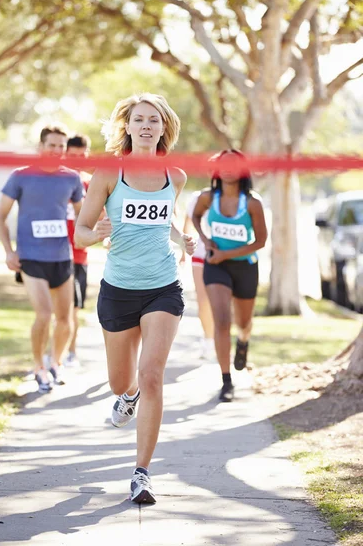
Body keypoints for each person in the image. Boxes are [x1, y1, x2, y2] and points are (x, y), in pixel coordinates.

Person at [75, 93, 195, 504]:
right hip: (119, 290)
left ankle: (142, 473)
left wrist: (183, 238)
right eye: (139, 119)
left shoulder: (174, 176)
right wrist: (99, 233)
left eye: (154, 120)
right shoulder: (109, 171)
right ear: (127, 126)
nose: (146, 126)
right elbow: (81, 232)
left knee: (152, 376)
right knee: (123, 382)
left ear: (164, 128)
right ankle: (127, 398)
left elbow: (165, 220)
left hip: (163, 286)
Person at [0, 126, 84, 393]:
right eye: (52, 145)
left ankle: (55, 363)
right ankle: (39, 367)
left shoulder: (72, 179)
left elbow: (83, 215)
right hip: (31, 257)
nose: (57, 151)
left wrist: (87, 234)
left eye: (61, 146)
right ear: (40, 146)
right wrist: (9, 251)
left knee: (66, 319)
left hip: (63, 257)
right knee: (44, 315)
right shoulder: (20, 176)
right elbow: (1, 217)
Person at [192, 149, 267, 403]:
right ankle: (226, 381)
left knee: (243, 323)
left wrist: (227, 254)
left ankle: (243, 342)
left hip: (245, 266)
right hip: (216, 267)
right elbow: (195, 216)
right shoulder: (207, 197)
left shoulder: (253, 203)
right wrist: (205, 239)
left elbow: (261, 241)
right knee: (222, 321)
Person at [65, 134, 92, 367]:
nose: (76, 160)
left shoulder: (92, 183)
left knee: (73, 307)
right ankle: (51, 356)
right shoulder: (55, 180)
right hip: (51, 253)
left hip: (79, 255)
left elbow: (104, 213)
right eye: (71, 156)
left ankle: (70, 353)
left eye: (81, 156)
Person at [181, 190, 214, 359]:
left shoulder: (236, 197)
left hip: (229, 256)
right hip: (201, 255)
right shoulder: (197, 198)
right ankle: (209, 341)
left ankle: (220, 338)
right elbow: (187, 224)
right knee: (203, 300)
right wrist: (182, 251)